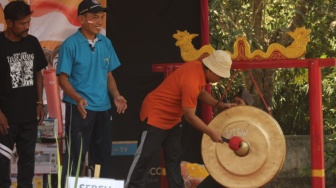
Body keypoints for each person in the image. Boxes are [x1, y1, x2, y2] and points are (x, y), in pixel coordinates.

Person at [124, 50, 236, 188]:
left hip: (173, 120)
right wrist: (211, 132)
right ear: (211, 70)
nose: (221, 79)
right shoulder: (192, 80)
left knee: (174, 158)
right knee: (145, 156)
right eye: (220, 76)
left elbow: (200, 92)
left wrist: (220, 105)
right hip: (155, 115)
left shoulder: (198, 70)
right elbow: (190, 116)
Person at [56, 0, 127, 186]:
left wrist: (116, 95)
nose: (99, 22)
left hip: (103, 109)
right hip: (79, 108)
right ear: (81, 19)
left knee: (103, 157)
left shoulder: (106, 42)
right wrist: (77, 98)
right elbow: (62, 78)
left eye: (102, 17)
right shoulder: (70, 44)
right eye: (95, 17)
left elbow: (108, 74)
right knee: (75, 157)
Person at [0, 1, 48, 187]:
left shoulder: (32, 42)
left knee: (27, 163)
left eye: (28, 22)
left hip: (28, 117)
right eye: (22, 23)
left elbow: (38, 74)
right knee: (2, 166)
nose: (27, 26)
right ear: (9, 22)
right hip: (5, 121)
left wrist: (39, 102)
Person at [197, 89, 254, 188]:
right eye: (234, 101)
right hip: (225, 169)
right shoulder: (225, 121)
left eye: (239, 102)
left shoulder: (257, 126)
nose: (235, 105)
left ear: (248, 106)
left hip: (245, 171)